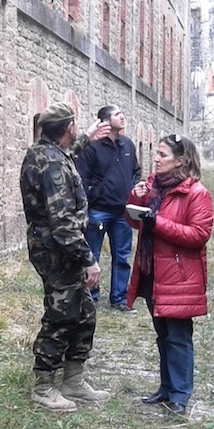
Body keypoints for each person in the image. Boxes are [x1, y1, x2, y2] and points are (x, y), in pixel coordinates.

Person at [19, 101, 111, 412]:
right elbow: (61, 223)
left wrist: (87, 137)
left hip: (61, 247)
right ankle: (44, 385)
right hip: (57, 250)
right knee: (62, 314)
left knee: (84, 311)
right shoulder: (52, 164)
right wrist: (89, 259)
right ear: (68, 128)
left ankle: (73, 379)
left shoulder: (47, 152)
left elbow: (67, 153)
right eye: (75, 126)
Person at [125, 134, 214, 416]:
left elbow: (199, 235)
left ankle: (180, 395)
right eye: (157, 154)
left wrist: (157, 222)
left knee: (178, 337)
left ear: (181, 160)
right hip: (152, 271)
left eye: (162, 155)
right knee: (162, 335)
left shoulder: (197, 194)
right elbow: (135, 222)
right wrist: (135, 199)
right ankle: (166, 389)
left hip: (179, 276)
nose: (156, 159)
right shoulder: (153, 188)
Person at [76, 105, 141, 310]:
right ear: (105, 121)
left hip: (123, 212)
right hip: (99, 211)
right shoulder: (92, 147)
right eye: (116, 114)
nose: (122, 116)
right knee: (92, 255)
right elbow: (81, 177)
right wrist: (94, 195)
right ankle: (91, 298)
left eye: (122, 113)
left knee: (122, 256)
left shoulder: (128, 145)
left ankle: (120, 298)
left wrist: (131, 190)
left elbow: (136, 172)